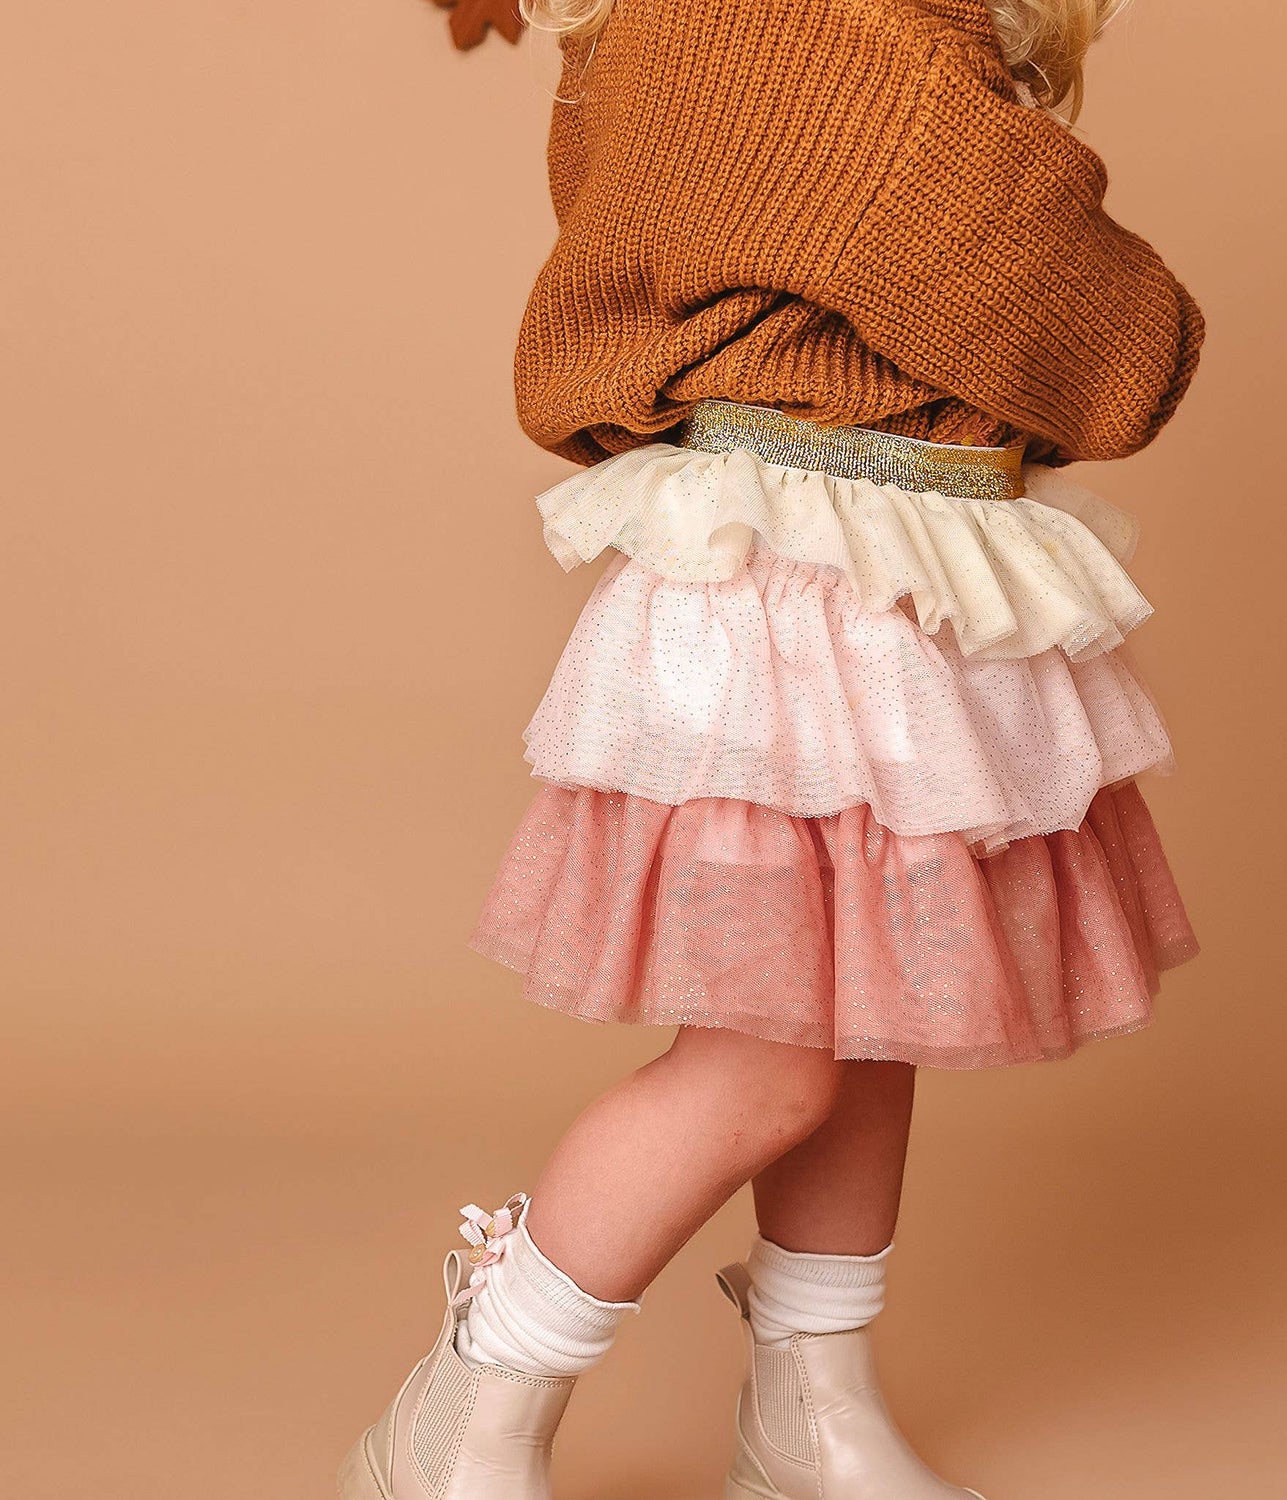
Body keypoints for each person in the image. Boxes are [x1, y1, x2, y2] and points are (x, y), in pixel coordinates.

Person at [338, 1, 1204, 1495]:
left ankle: (813, 1410)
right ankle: (467, 1406)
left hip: (843, 561)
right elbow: (1096, 328)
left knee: (862, 1017)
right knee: (770, 1063)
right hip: (799, 590)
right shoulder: (828, 25)